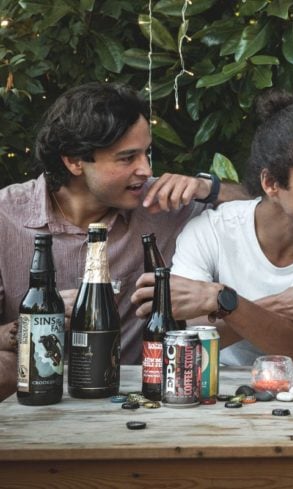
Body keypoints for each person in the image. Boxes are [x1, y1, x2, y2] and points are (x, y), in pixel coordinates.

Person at [0, 81, 247, 401]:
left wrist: (208, 189)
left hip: (133, 394)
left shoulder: (160, 203)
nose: (146, 170)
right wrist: (30, 327)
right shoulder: (6, 216)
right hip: (34, 395)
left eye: (146, 153)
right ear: (74, 161)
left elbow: (262, 208)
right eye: (127, 158)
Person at [132, 90, 293, 371]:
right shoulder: (210, 231)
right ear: (271, 183)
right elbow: (189, 342)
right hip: (218, 386)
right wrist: (277, 305)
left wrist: (222, 302)